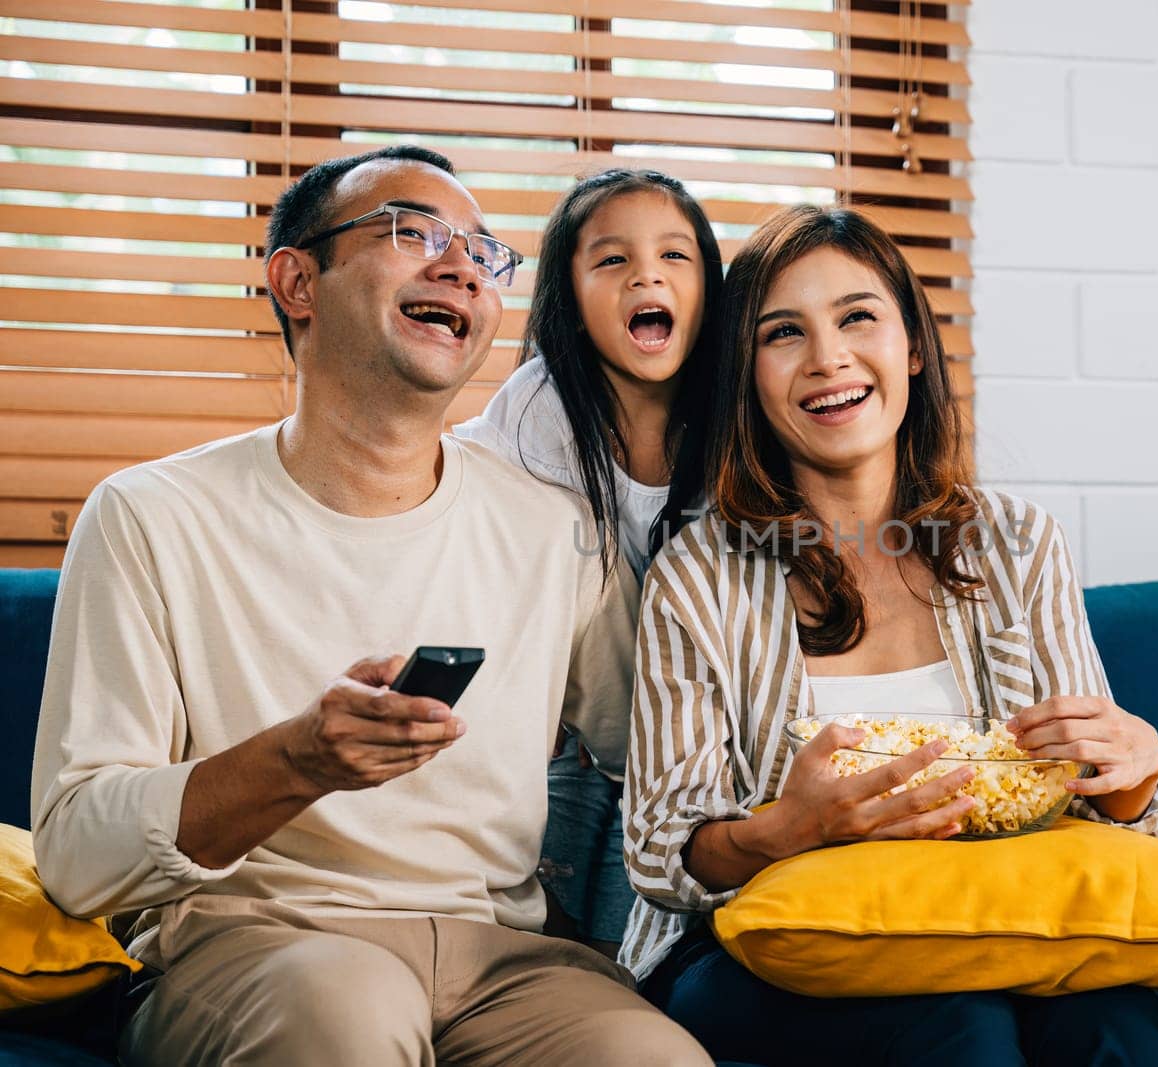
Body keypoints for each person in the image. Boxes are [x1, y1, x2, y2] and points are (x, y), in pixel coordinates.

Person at [30, 145, 711, 1067]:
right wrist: (295, 759)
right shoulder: (151, 516)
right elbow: (75, 854)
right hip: (256, 942)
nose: (461, 265)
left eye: (481, 251)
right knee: (347, 1016)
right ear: (297, 282)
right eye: (412, 232)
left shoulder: (558, 532)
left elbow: (672, 753)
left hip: (501, 963)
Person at [621, 205, 1158, 1066]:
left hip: (997, 913)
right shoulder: (696, 574)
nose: (828, 358)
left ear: (913, 347)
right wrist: (789, 827)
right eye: (784, 333)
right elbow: (662, 850)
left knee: (1118, 1025)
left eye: (857, 316)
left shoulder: (1018, 543)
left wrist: (1130, 772)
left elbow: (1098, 813)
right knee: (961, 1025)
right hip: (760, 942)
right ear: (748, 377)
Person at [455, 168, 721, 956]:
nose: (647, 273)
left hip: (678, 747)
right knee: (555, 943)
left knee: (636, 957)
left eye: (676, 256)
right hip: (565, 728)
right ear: (569, 300)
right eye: (612, 261)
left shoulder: (730, 418)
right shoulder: (538, 418)